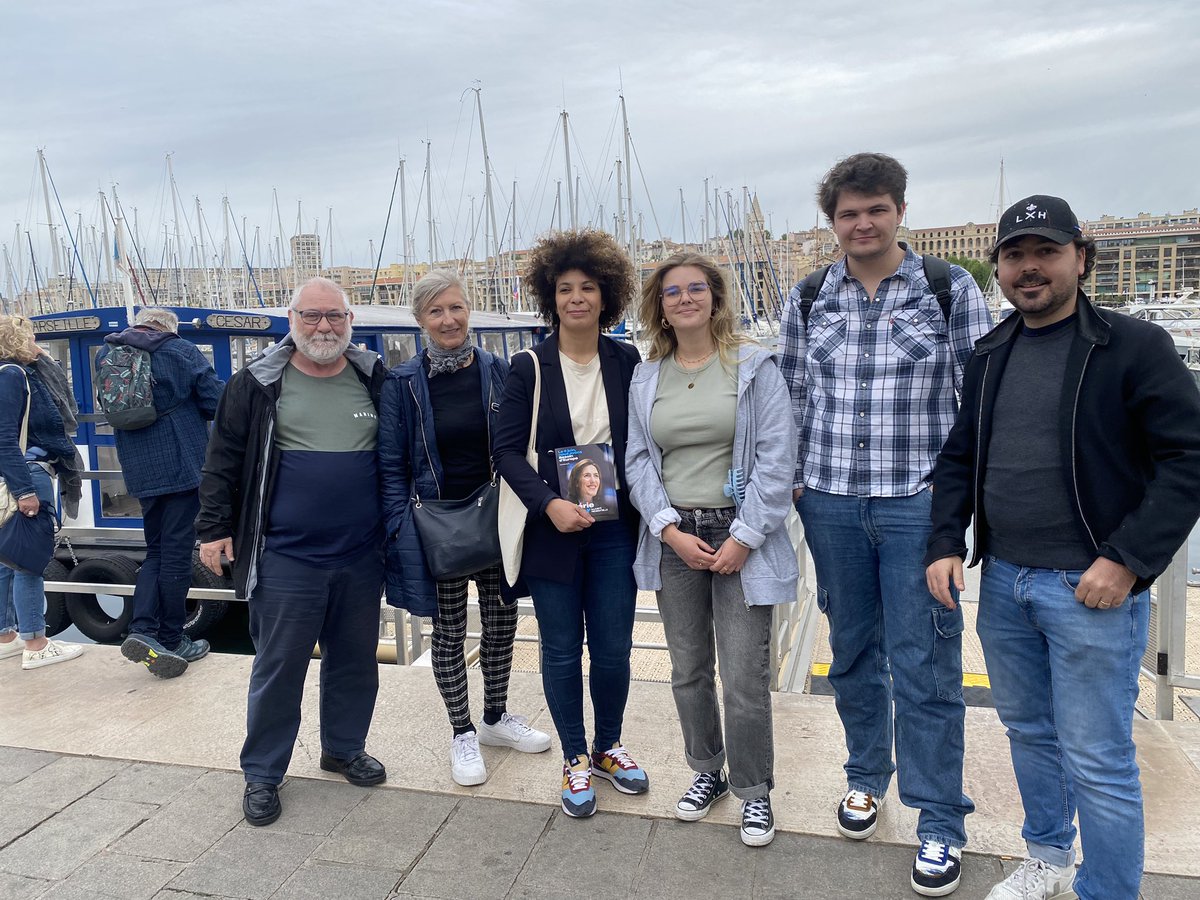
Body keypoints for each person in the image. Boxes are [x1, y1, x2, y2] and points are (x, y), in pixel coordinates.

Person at [925, 195, 1200, 900]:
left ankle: (1107, 890)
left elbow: (1187, 460)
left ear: (1081, 257)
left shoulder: (1133, 346)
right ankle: (1047, 858)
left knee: (1099, 757)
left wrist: (1129, 558)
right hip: (1007, 582)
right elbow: (960, 459)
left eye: (1045, 252)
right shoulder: (991, 353)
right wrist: (944, 541)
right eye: (1015, 255)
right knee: (1028, 735)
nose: (1029, 268)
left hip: (1091, 590)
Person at [778, 152, 993, 895]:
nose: (861, 223)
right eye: (847, 213)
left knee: (928, 665)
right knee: (854, 654)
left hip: (916, 507)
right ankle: (866, 775)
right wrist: (799, 488)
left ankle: (939, 818)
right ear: (832, 221)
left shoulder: (947, 288)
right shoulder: (809, 296)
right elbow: (795, 398)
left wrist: (957, 506)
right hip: (833, 504)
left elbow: (977, 402)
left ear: (901, 209)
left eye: (875, 209)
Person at [197, 277, 388, 827]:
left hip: (360, 554)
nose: (323, 327)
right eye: (311, 316)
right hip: (285, 555)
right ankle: (262, 771)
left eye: (334, 316)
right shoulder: (256, 383)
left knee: (355, 664)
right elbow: (223, 460)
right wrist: (213, 529)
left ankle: (343, 748)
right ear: (291, 318)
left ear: (350, 320)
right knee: (279, 667)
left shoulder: (373, 377)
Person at [626, 253, 798, 846]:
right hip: (677, 536)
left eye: (696, 288)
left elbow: (777, 458)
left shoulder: (754, 368)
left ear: (715, 297)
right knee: (688, 668)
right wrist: (667, 527)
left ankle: (754, 790)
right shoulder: (648, 377)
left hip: (740, 534)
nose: (685, 299)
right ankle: (707, 772)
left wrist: (745, 538)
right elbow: (638, 460)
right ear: (661, 307)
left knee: (745, 676)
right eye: (673, 292)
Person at [493, 229, 646, 818]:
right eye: (564, 289)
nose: (576, 298)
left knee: (613, 649)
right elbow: (505, 451)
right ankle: (575, 758)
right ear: (549, 297)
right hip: (552, 527)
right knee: (561, 650)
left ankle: (609, 746)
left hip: (612, 528)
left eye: (587, 288)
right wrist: (548, 504)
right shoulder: (528, 367)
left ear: (607, 296)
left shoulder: (626, 359)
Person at [378, 271, 550, 787]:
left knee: (502, 625)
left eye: (455, 308)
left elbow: (527, 441)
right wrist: (398, 526)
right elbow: (391, 464)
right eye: (436, 312)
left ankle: (495, 717)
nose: (448, 320)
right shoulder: (403, 383)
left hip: (498, 518)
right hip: (438, 523)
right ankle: (462, 731)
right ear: (420, 321)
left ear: (468, 310)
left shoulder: (500, 372)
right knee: (450, 632)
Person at [97, 308, 223, 678]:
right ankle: (171, 638)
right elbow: (217, 401)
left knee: (156, 551)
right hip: (182, 465)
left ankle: (142, 630)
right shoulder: (177, 350)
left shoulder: (110, 352)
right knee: (178, 553)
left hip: (139, 467)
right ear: (169, 327)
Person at [0, 315, 84, 669]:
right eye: (29, 334)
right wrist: (24, 491)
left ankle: (6, 635)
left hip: (8, 477)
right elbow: (5, 436)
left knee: (7, 559)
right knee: (30, 562)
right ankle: (36, 642)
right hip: (27, 474)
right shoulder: (13, 374)